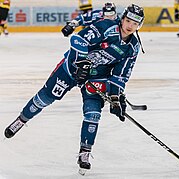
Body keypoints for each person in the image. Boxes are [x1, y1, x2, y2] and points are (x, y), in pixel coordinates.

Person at [4, 4, 145, 172]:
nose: (130, 26)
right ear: (122, 19)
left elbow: (121, 75)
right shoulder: (106, 26)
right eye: (128, 21)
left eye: (134, 24)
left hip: (96, 76)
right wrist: (82, 63)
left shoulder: (133, 47)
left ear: (139, 26)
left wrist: (115, 97)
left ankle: (85, 152)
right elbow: (78, 39)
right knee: (46, 97)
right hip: (72, 68)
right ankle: (21, 120)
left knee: (93, 112)